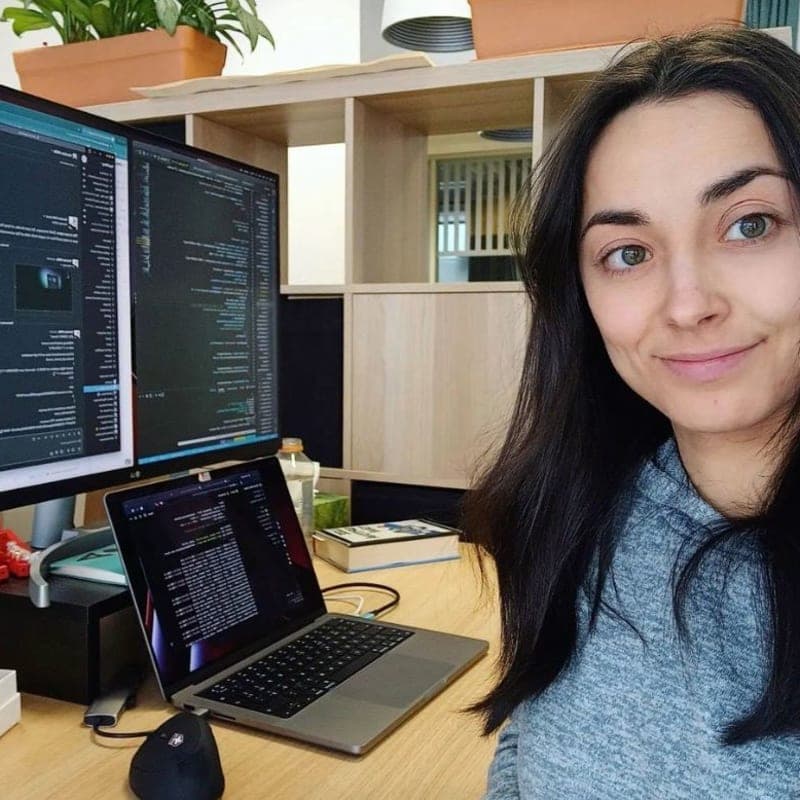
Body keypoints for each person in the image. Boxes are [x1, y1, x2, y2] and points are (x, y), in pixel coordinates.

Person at [463, 25, 800, 798]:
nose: (687, 305)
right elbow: (530, 736)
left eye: (751, 224)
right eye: (629, 253)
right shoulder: (577, 510)